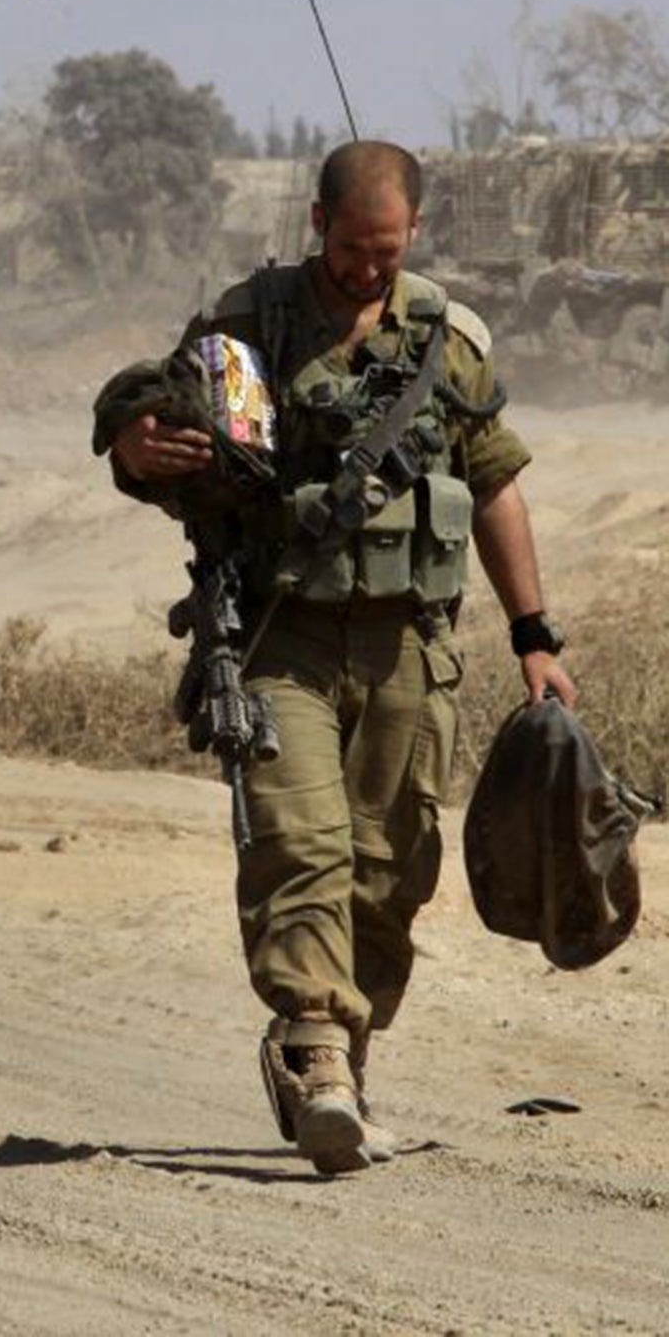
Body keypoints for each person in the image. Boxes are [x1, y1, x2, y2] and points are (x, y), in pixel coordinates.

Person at [94, 140, 574, 1176]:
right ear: (315, 226)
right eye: (353, 247)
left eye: (387, 249)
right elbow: (142, 414)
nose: (368, 267)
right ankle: (314, 1051)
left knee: (389, 865)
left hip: (409, 642)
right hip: (284, 637)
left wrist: (533, 635)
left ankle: (339, 1062)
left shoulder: (444, 340)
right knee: (299, 843)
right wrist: (134, 443)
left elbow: (492, 486)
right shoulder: (250, 326)